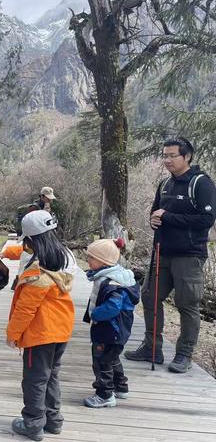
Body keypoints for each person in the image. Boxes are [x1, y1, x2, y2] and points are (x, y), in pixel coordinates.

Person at [124, 137, 216, 373]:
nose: (167, 160)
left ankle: (184, 354)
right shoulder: (165, 184)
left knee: (187, 304)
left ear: (187, 156)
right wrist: (154, 219)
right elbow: (156, 213)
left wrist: (166, 217)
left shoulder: (201, 183)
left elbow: (207, 220)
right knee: (150, 296)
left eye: (172, 155)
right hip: (161, 252)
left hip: (189, 255)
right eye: (164, 155)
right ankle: (152, 347)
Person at [0, 210, 75, 441]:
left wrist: (12, 334)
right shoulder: (62, 257)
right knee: (51, 376)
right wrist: (4, 252)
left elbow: (25, 310)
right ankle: (54, 420)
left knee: (34, 380)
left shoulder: (36, 276)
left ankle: (32, 423)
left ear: (31, 241)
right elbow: (22, 250)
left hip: (40, 335)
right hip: (61, 331)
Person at [83, 238, 140, 408]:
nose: (88, 260)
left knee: (101, 361)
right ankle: (121, 387)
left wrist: (96, 314)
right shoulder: (116, 276)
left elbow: (113, 307)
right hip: (118, 330)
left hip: (109, 330)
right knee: (112, 357)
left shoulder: (110, 283)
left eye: (91, 258)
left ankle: (105, 394)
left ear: (102, 261)